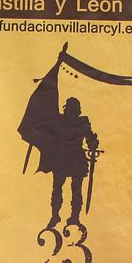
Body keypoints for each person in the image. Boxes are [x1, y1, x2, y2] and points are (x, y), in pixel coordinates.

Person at [45, 97, 99, 228]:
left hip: (75, 158)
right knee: (57, 188)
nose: (72, 110)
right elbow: (50, 135)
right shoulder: (59, 120)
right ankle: (55, 215)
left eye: (74, 108)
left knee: (76, 189)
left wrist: (93, 143)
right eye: (70, 108)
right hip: (62, 158)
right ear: (67, 109)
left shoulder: (82, 121)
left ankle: (74, 217)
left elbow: (90, 137)